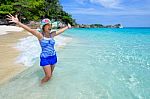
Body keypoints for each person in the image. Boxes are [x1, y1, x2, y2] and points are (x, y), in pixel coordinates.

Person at [7, 14, 71, 84]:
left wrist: (67, 27)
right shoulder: (40, 35)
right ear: (43, 27)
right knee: (48, 76)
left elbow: (61, 31)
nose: (50, 26)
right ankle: (41, 86)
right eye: (48, 25)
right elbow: (30, 30)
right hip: (45, 58)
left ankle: (48, 89)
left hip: (53, 56)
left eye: (50, 25)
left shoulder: (52, 34)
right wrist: (18, 23)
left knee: (50, 75)